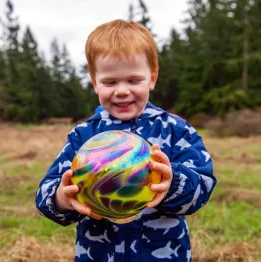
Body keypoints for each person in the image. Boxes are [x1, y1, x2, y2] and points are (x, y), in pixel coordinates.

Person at [35, 19, 216, 262]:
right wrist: (62, 198)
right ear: (94, 83)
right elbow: (46, 193)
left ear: (151, 78)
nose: (121, 90)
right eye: (110, 82)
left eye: (133, 80)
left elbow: (203, 187)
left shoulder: (175, 130)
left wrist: (172, 183)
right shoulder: (84, 136)